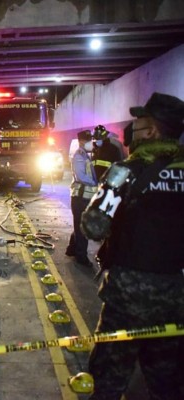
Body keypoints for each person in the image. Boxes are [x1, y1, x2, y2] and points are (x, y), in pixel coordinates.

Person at [81, 92, 184, 400]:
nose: (131, 130)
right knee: (167, 381)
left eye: (138, 124)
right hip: (175, 297)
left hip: (127, 298)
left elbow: (94, 225)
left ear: (152, 132)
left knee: (108, 379)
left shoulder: (125, 172)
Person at [65, 129, 98, 267]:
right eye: (89, 140)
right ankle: (81, 257)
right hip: (80, 197)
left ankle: (72, 249)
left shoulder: (86, 155)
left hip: (84, 197)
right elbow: (81, 177)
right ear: (82, 141)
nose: (91, 142)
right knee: (82, 228)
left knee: (79, 225)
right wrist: (96, 183)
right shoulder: (79, 156)